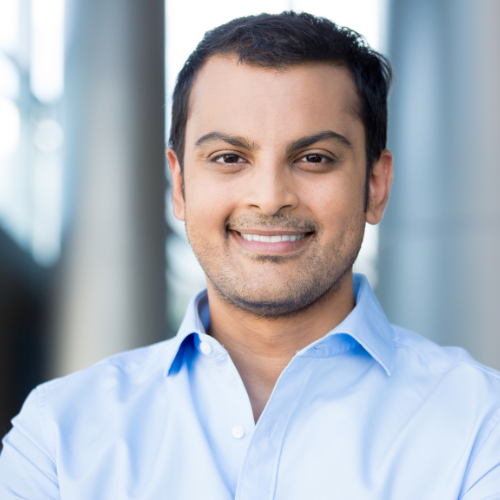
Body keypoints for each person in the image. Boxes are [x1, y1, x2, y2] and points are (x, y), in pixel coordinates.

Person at [1, 11, 500, 499]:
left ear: (375, 184)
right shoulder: (57, 434)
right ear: (179, 184)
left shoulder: (481, 424)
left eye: (314, 159)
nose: (269, 197)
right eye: (229, 158)